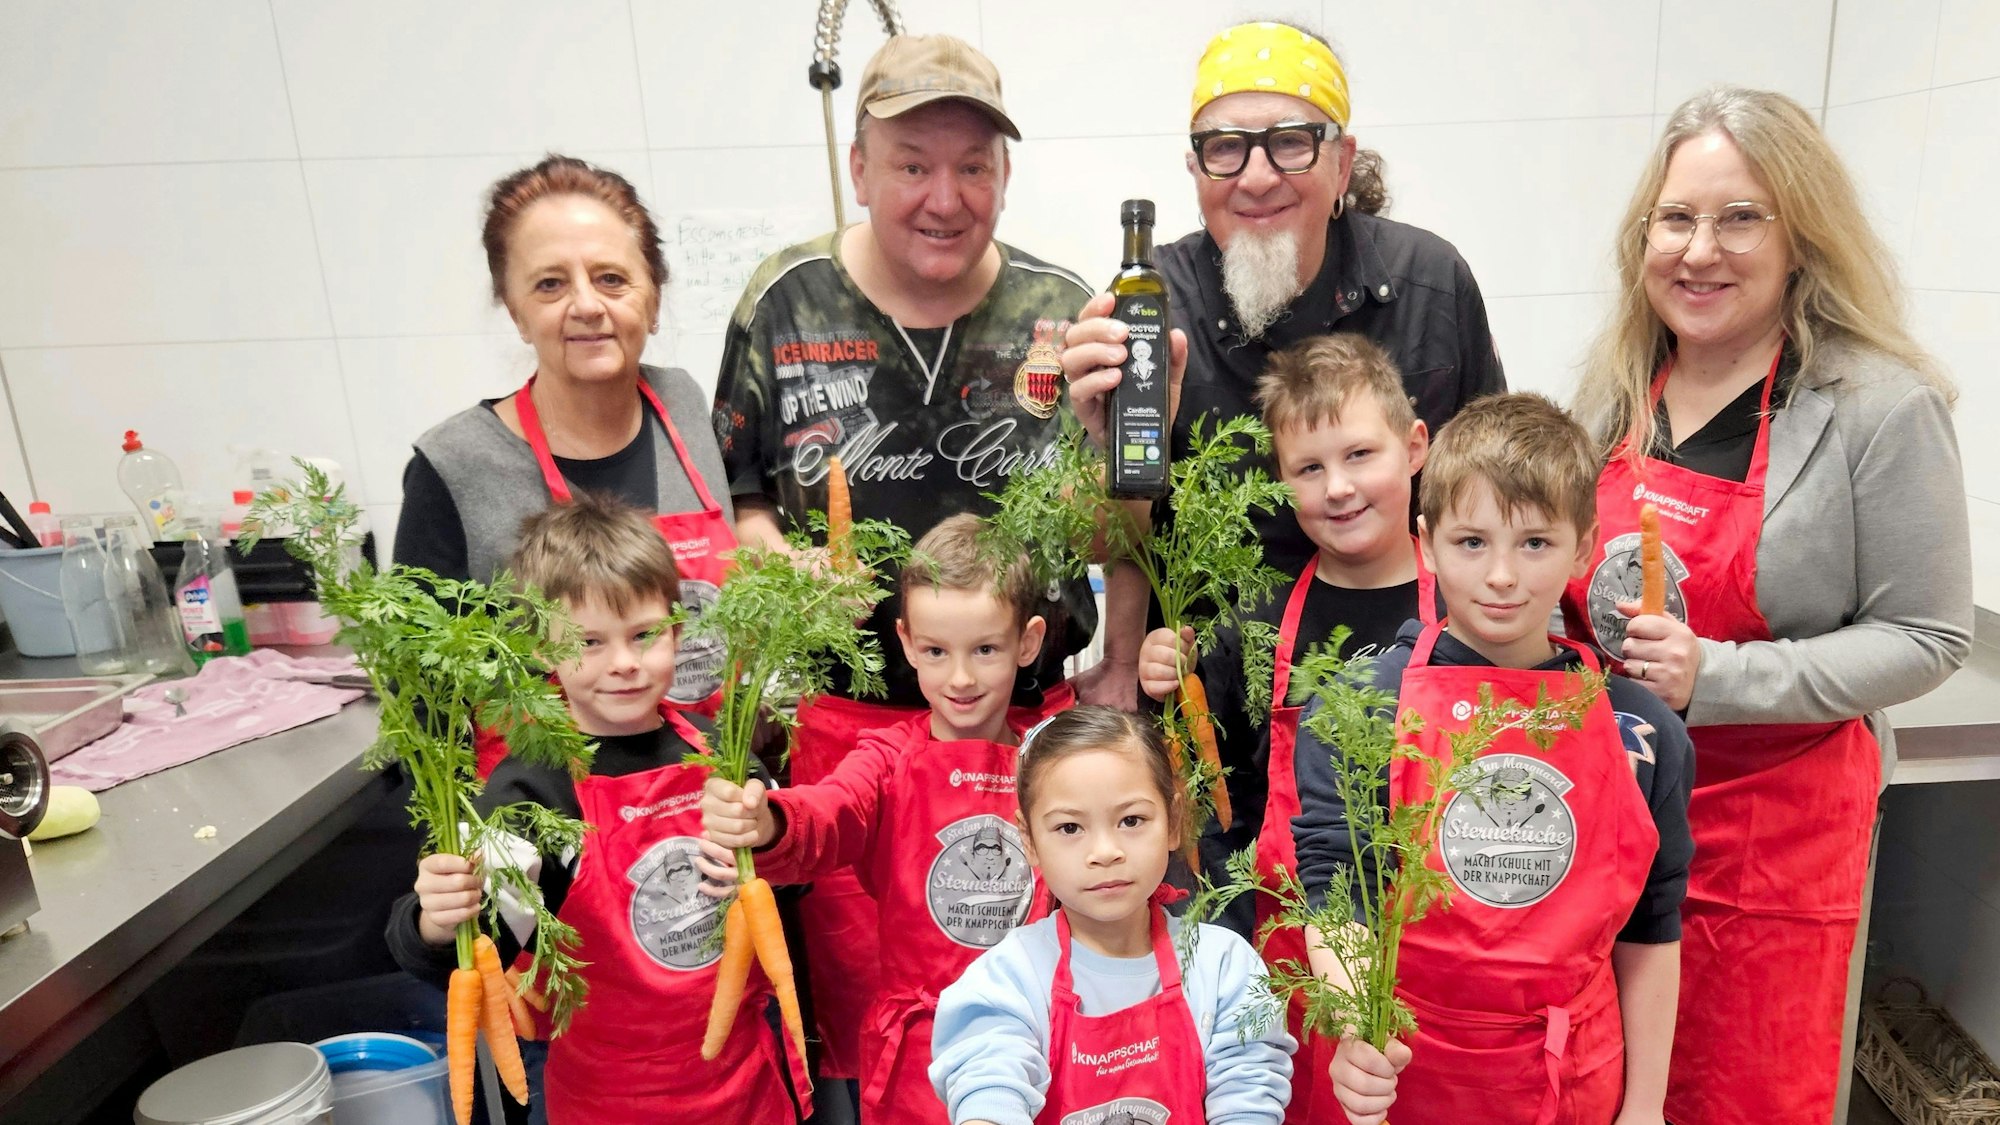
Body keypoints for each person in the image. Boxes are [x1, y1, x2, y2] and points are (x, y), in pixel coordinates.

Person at [1563, 86, 1973, 1125]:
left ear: (1802, 236)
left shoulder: (1877, 407)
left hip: (1767, 847)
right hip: (1610, 830)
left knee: (1733, 1096)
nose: (1699, 250)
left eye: (1739, 216)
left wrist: (1717, 676)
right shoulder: (1616, 388)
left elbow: (1926, 636)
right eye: (1675, 218)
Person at [710, 33, 1095, 1081]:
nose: (943, 195)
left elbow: (1120, 511)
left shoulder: (1064, 310)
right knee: (881, 1026)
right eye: (913, 163)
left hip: (1029, 737)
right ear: (860, 168)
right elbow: (739, 493)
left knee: (1044, 1017)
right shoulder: (784, 301)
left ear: (1004, 176)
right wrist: (779, 569)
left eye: (972, 166)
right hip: (851, 734)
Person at [1062, 19, 1505, 710]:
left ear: (1342, 162)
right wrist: (1111, 450)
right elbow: (1097, 542)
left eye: (1292, 143)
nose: (1258, 177)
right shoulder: (1150, 307)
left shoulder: (1430, 286)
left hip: (1412, 691)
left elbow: (1497, 501)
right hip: (1208, 702)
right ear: (1195, 169)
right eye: (1226, 149)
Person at [1295, 394, 1693, 1125]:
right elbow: (1335, 887)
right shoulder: (1361, 709)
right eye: (1472, 542)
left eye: (1535, 543)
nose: (1503, 576)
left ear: (1583, 546)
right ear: (1427, 542)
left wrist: (1645, 1107)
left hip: (1571, 1079)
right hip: (1401, 1072)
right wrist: (1355, 1029)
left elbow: (1651, 924)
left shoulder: (1642, 730)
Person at [385, 494, 801, 1124]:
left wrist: (770, 838)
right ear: (545, 652)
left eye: (644, 635)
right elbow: (482, 945)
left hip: (744, 1086)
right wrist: (437, 922)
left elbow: (788, 892)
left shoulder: (720, 753)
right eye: (589, 642)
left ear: (678, 633)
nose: (625, 663)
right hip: (608, 1095)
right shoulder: (531, 793)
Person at [1134, 333, 1437, 1122]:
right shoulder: (1255, 624)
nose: (1337, 487)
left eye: (1360, 454)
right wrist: (1169, 687)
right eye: (1309, 467)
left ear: (1414, 448)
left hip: (1436, 967)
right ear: (1282, 480)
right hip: (1286, 971)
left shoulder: (1474, 607)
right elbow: (1210, 800)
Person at [698, 514, 1057, 1124]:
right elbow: (830, 813)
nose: (961, 678)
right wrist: (771, 824)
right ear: (907, 641)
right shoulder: (888, 759)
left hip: (1039, 1037)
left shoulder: (1051, 762)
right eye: (937, 652)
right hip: (923, 1049)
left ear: (1028, 642)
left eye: (986, 650)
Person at [396, 155, 735, 722]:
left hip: (714, 792)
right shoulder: (455, 466)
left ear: (652, 298)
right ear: (516, 313)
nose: (586, 306)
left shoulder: (684, 405)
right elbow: (424, 701)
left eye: (611, 278)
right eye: (550, 284)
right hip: (551, 800)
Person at [929, 706, 1295, 1122]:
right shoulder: (1009, 978)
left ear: (1173, 822)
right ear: (1028, 840)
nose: (1105, 852)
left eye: (1131, 820)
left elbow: (1248, 1098)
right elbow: (989, 1083)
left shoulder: (1223, 966)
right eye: (1070, 828)